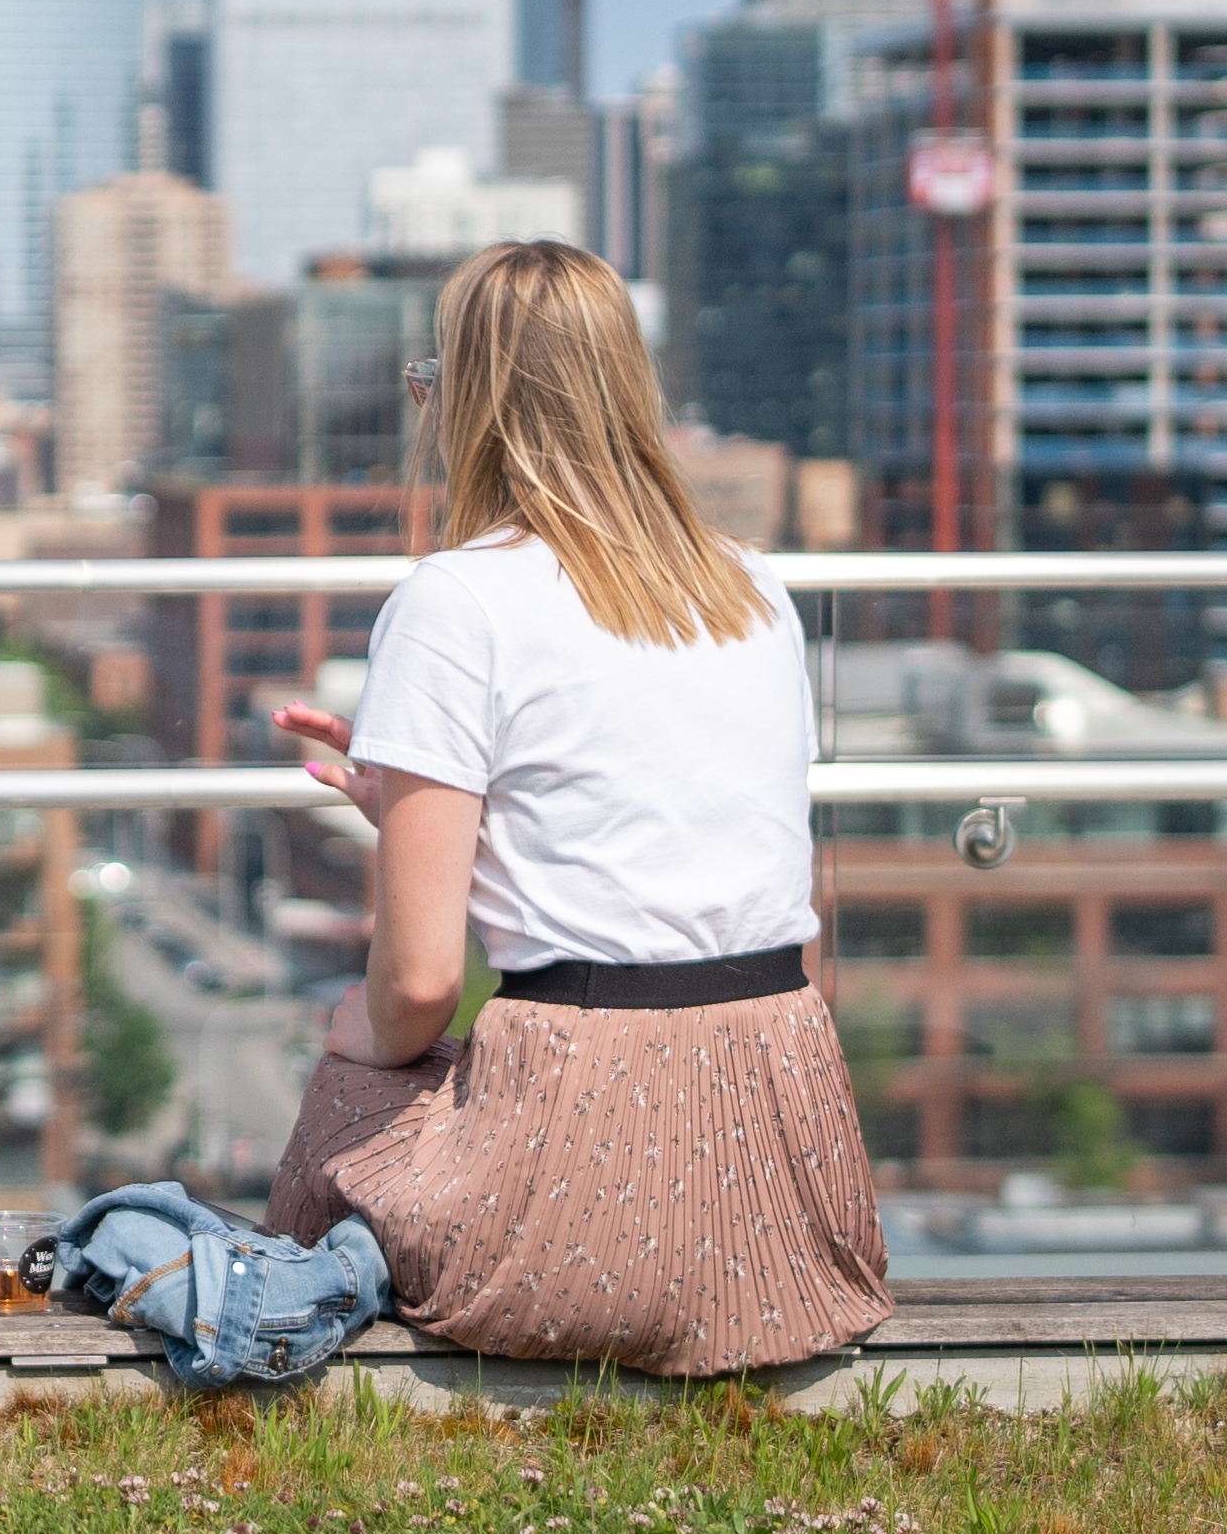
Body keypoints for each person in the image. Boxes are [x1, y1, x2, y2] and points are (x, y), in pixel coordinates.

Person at [260, 238, 887, 1378]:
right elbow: (657, 839)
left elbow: (414, 989)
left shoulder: (457, 598)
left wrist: (359, 1035)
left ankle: (289, 1395)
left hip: (583, 1169)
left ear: (470, 407)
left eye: (432, 383)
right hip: (786, 1176)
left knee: (359, 1058)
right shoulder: (754, 584)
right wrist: (420, 802)